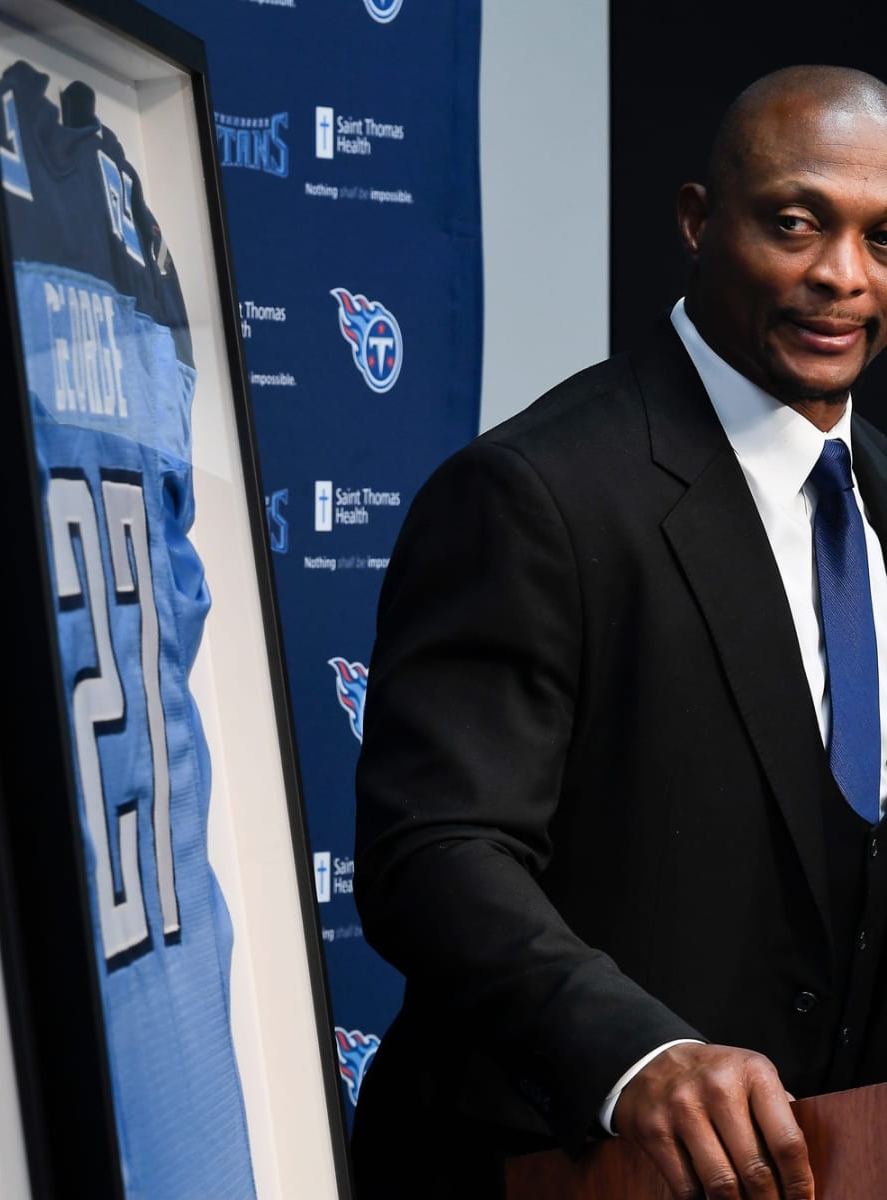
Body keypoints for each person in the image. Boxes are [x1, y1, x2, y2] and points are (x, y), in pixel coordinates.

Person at [353, 64, 887, 1200]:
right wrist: (636, 1056)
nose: (843, 276)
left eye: (884, 239)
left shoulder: (882, 496)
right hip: (559, 1168)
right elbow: (435, 854)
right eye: (797, 224)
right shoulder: (532, 491)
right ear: (699, 222)